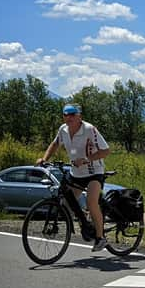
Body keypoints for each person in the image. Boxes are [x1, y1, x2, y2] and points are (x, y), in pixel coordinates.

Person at [37, 104, 111, 252]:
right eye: (65, 114)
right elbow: (55, 143)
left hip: (93, 172)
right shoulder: (63, 129)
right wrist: (44, 159)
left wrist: (86, 159)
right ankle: (85, 220)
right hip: (76, 173)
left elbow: (105, 151)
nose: (68, 117)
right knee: (66, 202)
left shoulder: (89, 129)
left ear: (79, 116)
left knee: (91, 203)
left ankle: (100, 237)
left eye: (72, 114)